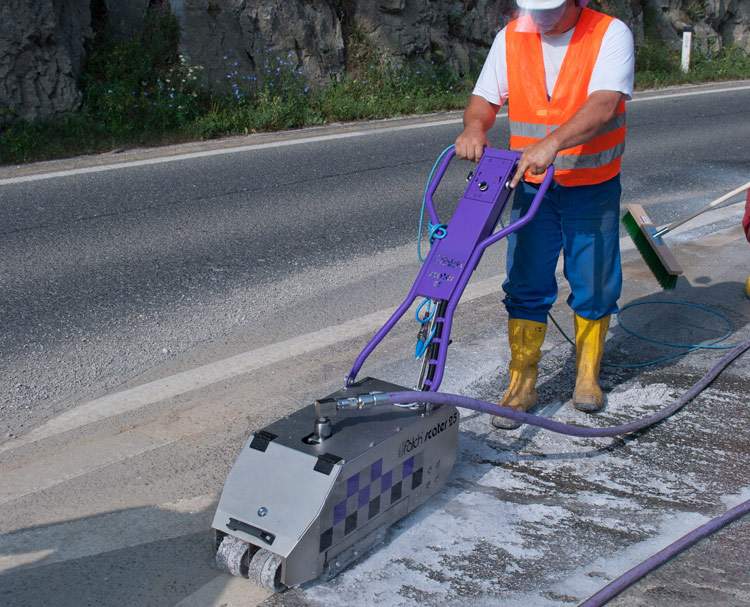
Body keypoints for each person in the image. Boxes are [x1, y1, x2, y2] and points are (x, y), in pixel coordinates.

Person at [454, 0, 634, 429]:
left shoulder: (609, 34)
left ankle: (586, 376)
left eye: (550, 8)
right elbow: (483, 99)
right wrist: (475, 126)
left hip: (591, 185)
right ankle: (522, 382)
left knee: (594, 281)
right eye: (533, 8)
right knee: (525, 281)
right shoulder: (512, 36)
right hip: (533, 186)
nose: (540, 17)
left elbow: (604, 104)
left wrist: (552, 143)